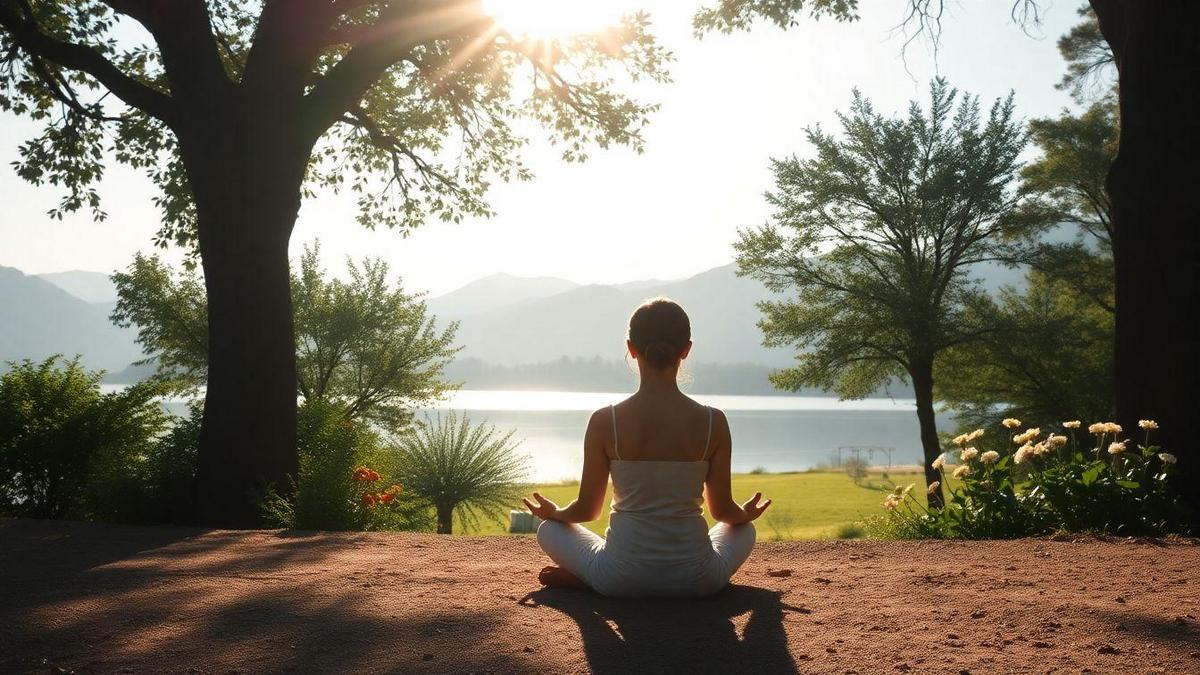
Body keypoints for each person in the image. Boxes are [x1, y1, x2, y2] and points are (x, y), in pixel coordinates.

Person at [523, 297, 770, 598]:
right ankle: (596, 576)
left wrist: (556, 512)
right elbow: (723, 512)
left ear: (631, 347)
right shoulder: (712, 422)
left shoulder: (605, 421)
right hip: (698, 581)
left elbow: (587, 510)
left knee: (548, 529)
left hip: (618, 579)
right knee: (744, 530)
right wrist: (745, 513)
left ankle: (591, 578)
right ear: (686, 350)